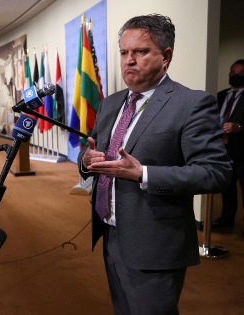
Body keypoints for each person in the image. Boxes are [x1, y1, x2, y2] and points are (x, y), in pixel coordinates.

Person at [78, 15, 231, 314]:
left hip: (155, 244)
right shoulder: (110, 103)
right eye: (124, 53)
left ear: (166, 56)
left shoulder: (191, 104)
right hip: (110, 232)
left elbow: (216, 172)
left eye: (141, 51)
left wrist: (143, 174)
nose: (129, 61)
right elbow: (93, 150)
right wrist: (86, 160)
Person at [212, 59, 244, 229]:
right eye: (233, 73)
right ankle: (226, 220)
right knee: (227, 187)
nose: (236, 76)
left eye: (240, 74)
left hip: (242, 150)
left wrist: (240, 127)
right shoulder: (220, 95)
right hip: (222, 149)